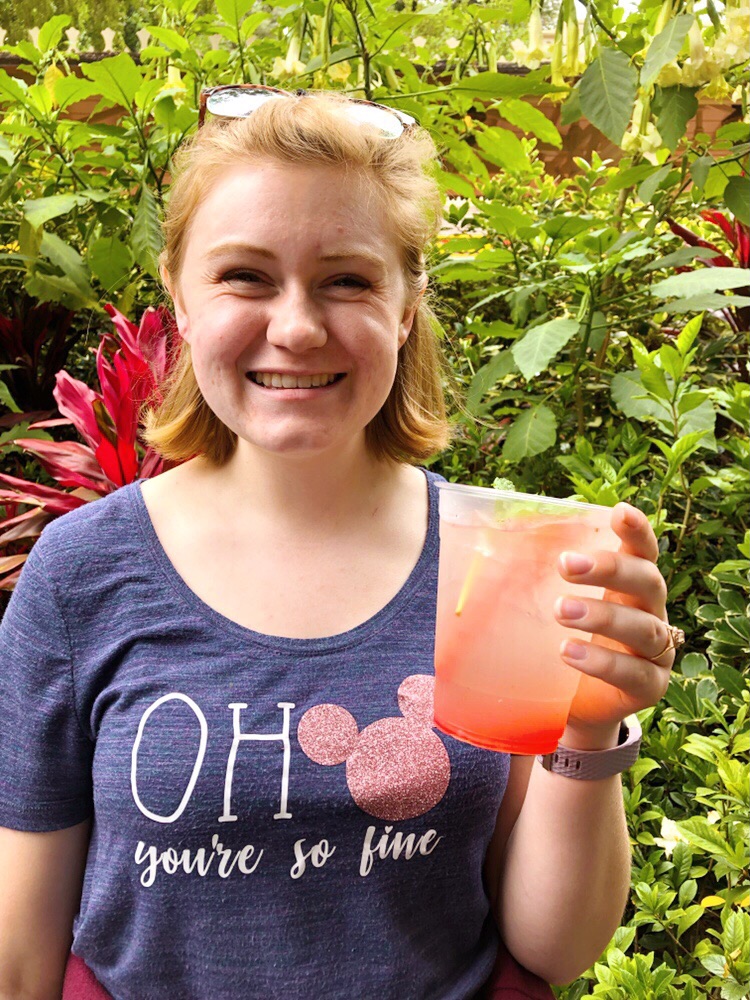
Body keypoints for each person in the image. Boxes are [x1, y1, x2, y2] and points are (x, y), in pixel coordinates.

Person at [0, 88, 681, 1000]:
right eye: (244, 275)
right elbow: (19, 955)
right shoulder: (82, 575)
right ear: (181, 297)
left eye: (347, 279)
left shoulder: (501, 558)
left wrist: (590, 727)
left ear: (406, 306)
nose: (295, 327)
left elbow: (553, 950)